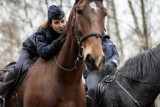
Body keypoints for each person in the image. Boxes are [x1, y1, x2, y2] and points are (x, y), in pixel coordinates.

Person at [0, 5, 67, 97]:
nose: (61, 25)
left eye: (62, 21)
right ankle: (1, 93)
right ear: (50, 24)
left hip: (46, 53)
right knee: (18, 68)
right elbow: (43, 52)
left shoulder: (67, 31)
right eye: (56, 23)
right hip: (30, 51)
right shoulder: (42, 32)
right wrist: (58, 42)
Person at [83, 33, 120, 101]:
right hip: (92, 73)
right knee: (92, 90)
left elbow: (115, 54)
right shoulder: (87, 40)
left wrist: (112, 62)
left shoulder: (109, 41)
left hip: (110, 71)